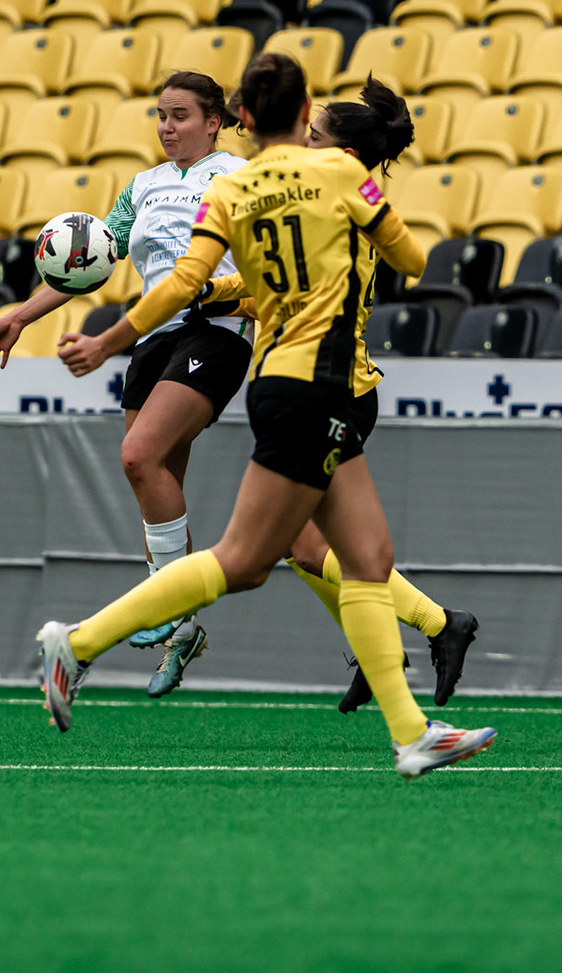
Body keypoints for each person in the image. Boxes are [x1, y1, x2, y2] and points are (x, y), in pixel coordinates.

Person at [38, 53, 497, 779]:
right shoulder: (344, 175)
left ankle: (412, 733)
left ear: (241, 118)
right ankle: (78, 644)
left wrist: (107, 340)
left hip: (286, 380)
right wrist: (366, 191)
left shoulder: (236, 187)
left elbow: (185, 287)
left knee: (366, 559)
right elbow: (410, 256)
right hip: (320, 381)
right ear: (304, 109)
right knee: (244, 562)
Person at [159, 79, 481, 714]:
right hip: (318, 385)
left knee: (295, 547)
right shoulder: (337, 200)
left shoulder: (343, 201)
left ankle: (438, 626)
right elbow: (279, 290)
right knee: (304, 546)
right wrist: (217, 293)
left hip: (327, 388)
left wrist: (205, 292)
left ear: (340, 152)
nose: (305, 142)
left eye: (315, 135)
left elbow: (298, 293)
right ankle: (396, 648)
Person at [0, 72, 252, 697]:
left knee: (137, 455)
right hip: (152, 335)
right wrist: (19, 314)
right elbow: (91, 262)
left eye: (179, 115)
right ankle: (184, 628)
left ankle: (166, 605)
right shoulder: (144, 186)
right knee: (153, 476)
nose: (166, 127)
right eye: (160, 115)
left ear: (214, 121)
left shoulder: (238, 174)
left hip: (216, 331)